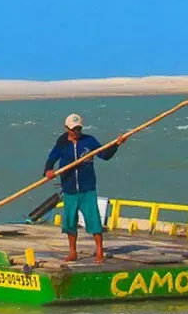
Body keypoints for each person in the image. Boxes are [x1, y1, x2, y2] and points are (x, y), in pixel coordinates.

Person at [44, 113, 126, 264]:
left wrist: (116, 145)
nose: (76, 132)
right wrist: (48, 170)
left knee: (93, 220)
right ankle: (72, 252)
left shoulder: (89, 141)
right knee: (69, 221)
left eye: (79, 129)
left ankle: (99, 251)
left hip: (87, 188)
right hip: (69, 189)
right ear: (67, 128)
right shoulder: (62, 142)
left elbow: (105, 155)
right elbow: (52, 158)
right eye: (73, 129)